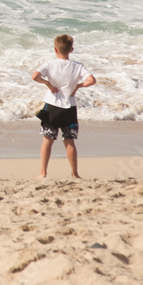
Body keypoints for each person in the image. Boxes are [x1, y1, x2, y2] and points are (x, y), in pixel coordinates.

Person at [31, 34, 96, 178]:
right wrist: (78, 86)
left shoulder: (49, 64)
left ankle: (43, 173)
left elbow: (34, 76)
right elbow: (92, 80)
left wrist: (48, 84)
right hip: (69, 108)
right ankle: (74, 173)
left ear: (55, 49)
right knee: (69, 141)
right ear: (71, 50)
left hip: (52, 107)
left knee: (47, 140)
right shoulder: (77, 66)